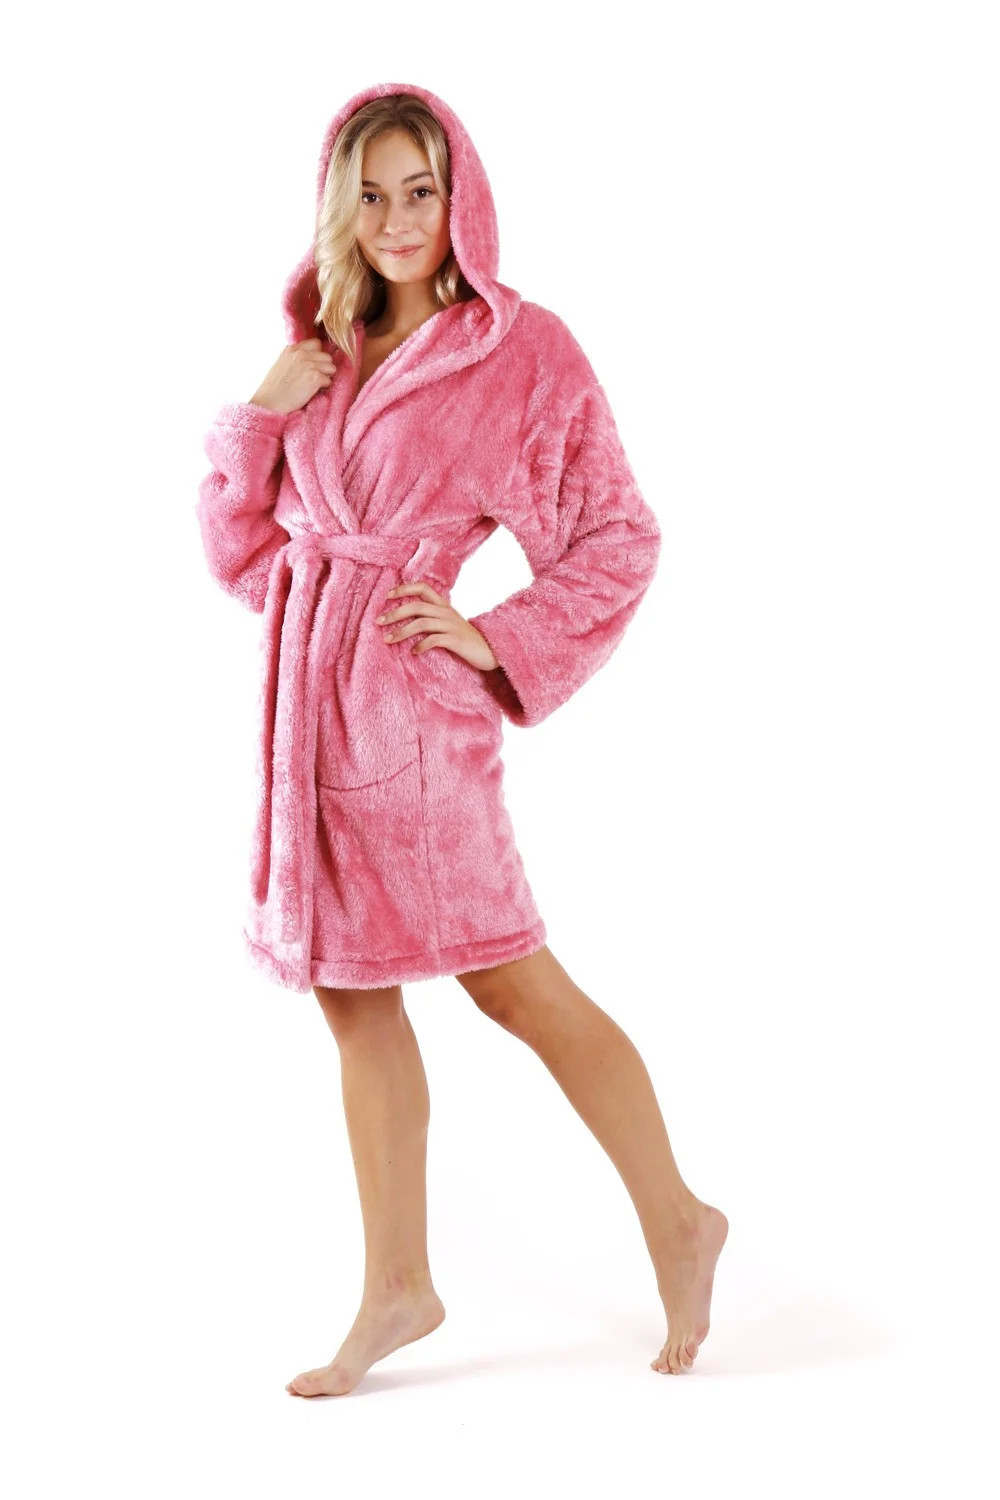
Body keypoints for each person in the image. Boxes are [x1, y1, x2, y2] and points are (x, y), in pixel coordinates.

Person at [195, 82, 728, 1397]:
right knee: (351, 994)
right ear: (340, 204)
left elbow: (619, 536)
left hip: (416, 723)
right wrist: (258, 412)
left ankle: (679, 1217)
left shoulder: (519, 351)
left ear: (461, 196)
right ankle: (399, 1287)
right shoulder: (322, 346)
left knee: (512, 983)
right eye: (370, 195)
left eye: (419, 192)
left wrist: (495, 638)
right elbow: (242, 556)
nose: (395, 221)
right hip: (308, 722)